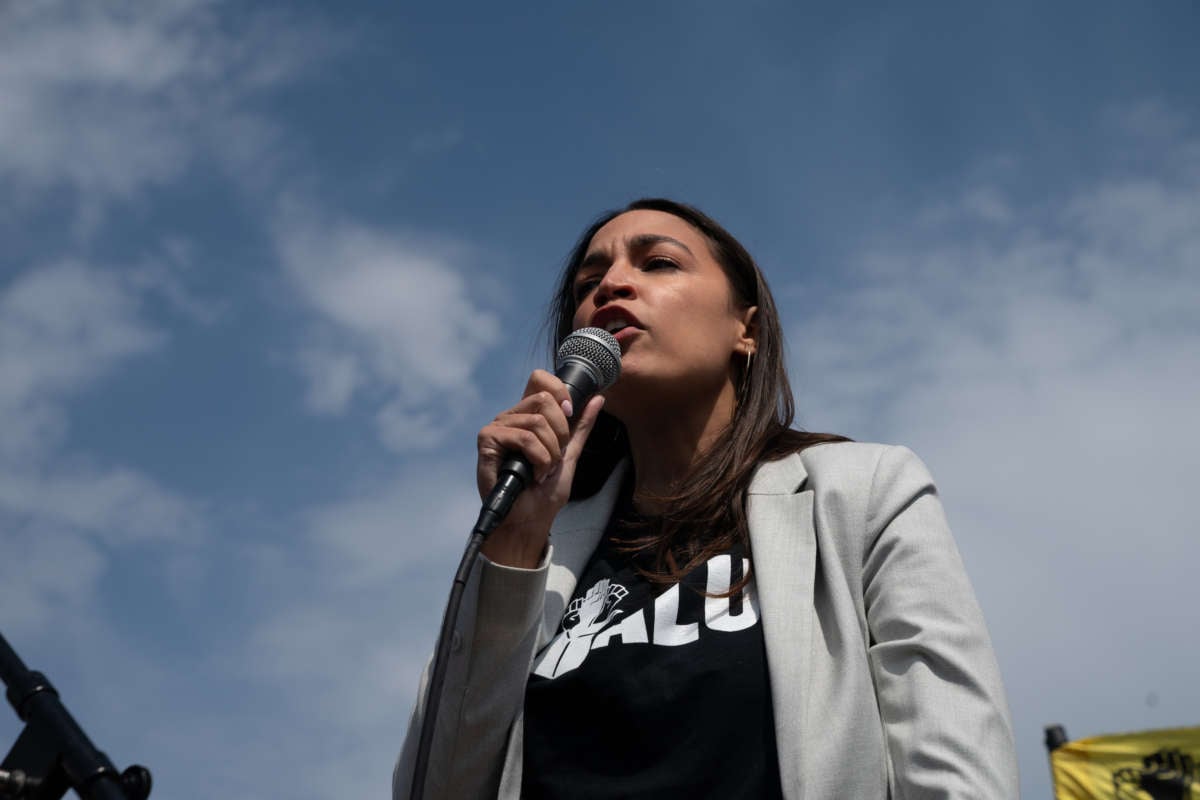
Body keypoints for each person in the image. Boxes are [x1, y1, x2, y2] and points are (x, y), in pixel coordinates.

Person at [394, 199, 1019, 799]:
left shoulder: (863, 492)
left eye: (657, 263)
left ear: (744, 330)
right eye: (590, 279)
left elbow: (953, 765)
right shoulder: (541, 554)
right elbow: (438, 782)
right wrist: (516, 545)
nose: (611, 284)